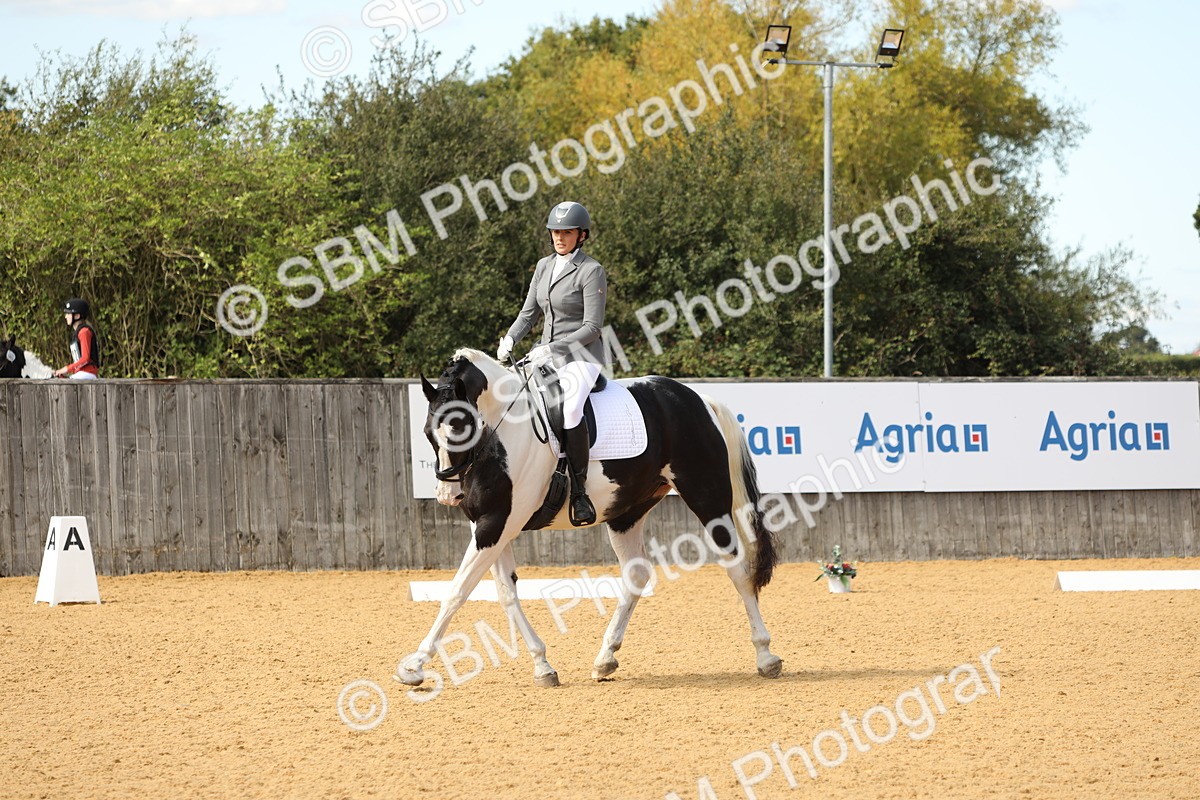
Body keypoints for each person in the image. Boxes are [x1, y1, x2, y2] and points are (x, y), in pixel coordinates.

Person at [498, 201, 607, 526]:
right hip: (543, 354)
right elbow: (528, 313)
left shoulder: (591, 270)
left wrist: (554, 349)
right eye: (556, 232)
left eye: (567, 232)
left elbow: (592, 327)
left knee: (570, 409)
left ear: (581, 235)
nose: (560, 237)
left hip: (581, 358)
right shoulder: (543, 266)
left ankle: (580, 492)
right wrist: (510, 338)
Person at [53, 298, 101, 380]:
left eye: (68, 314)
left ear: (77, 316)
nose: (65, 317)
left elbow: (85, 359)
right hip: (81, 373)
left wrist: (66, 369)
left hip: (87, 373)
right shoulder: (78, 332)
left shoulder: (84, 332)